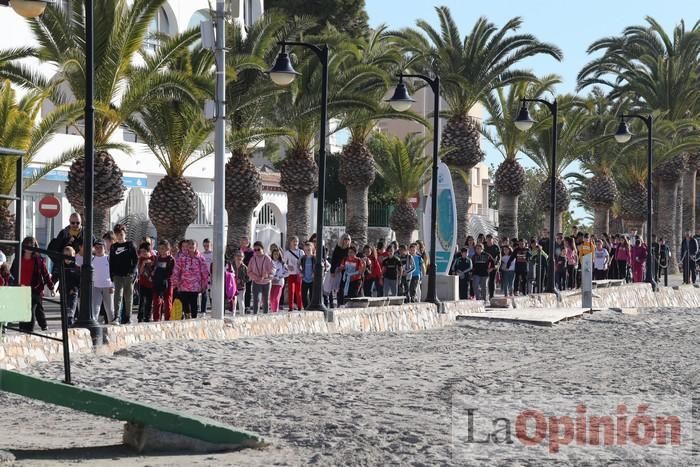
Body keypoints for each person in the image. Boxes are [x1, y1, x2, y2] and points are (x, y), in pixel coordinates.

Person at [10, 236, 54, 331]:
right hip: (21, 289)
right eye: (27, 245)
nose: (30, 247)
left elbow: (45, 273)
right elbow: (12, 272)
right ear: (23, 246)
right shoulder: (18, 258)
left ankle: (30, 330)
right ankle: (23, 329)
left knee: (31, 310)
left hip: (35, 289)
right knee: (24, 310)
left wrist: (51, 286)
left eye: (32, 245)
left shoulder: (38, 259)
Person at [171, 240, 209, 319]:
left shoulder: (200, 258)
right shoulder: (182, 257)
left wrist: (204, 284)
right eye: (190, 245)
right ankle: (187, 315)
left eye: (193, 245)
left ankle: (194, 318)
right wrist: (175, 282)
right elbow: (176, 270)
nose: (191, 247)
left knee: (193, 303)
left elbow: (204, 272)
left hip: (195, 286)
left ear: (196, 246)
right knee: (185, 302)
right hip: (184, 285)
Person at [109, 224, 138, 324]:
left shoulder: (130, 245)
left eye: (121, 234)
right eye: (117, 234)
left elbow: (135, 259)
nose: (120, 236)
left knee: (128, 296)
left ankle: (128, 317)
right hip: (117, 275)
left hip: (128, 275)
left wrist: (133, 272)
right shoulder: (113, 247)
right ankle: (116, 316)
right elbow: (111, 262)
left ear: (125, 234)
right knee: (117, 296)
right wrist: (111, 275)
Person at [52, 245, 81, 326]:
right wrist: (52, 286)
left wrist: (75, 288)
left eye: (70, 255)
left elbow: (79, 280)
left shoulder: (75, 267)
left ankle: (71, 321)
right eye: (65, 255)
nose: (67, 258)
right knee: (66, 306)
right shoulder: (60, 265)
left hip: (73, 290)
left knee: (72, 306)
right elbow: (55, 276)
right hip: (63, 289)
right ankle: (71, 321)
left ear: (73, 255)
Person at [89, 240, 116, 324]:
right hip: (95, 286)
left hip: (108, 286)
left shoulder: (108, 258)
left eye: (101, 247)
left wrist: (113, 285)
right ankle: (94, 324)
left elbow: (113, 273)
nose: (98, 249)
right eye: (96, 247)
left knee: (110, 308)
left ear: (105, 248)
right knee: (95, 308)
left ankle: (112, 323)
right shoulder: (91, 259)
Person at [151, 240, 175, 322]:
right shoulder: (157, 259)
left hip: (167, 282)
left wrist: (164, 277)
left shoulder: (171, 260)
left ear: (168, 249)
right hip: (157, 282)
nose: (161, 250)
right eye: (160, 248)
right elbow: (153, 269)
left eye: (163, 248)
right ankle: (156, 319)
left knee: (167, 302)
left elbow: (171, 272)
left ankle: (168, 319)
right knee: (156, 301)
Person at [248, 241, 273, 314]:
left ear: (262, 249)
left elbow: (273, 269)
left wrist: (268, 275)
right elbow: (249, 271)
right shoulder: (252, 259)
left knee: (265, 300)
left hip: (266, 282)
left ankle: (265, 316)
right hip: (256, 282)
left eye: (258, 249)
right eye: (255, 250)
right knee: (256, 299)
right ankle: (255, 315)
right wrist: (255, 277)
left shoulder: (267, 258)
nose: (256, 251)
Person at [284, 236, 305, 312]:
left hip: (298, 274)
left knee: (299, 291)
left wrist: (302, 269)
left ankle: (300, 306)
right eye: (293, 241)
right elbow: (284, 263)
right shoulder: (287, 253)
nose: (295, 243)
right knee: (291, 291)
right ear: (290, 242)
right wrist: (287, 266)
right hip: (291, 274)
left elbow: (303, 262)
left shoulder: (301, 252)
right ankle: (291, 307)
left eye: (296, 241)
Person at [137, 242, 156, 322]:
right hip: (142, 283)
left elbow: (156, 270)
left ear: (149, 251)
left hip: (151, 284)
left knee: (149, 301)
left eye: (144, 251)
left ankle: (147, 316)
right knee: (141, 300)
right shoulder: (141, 259)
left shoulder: (154, 258)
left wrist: (151, 264)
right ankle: (140, 317)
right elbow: (140, 272)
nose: (143, 253)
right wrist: (143, 264)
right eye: (141, 252)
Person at [330, 234, 351, 307]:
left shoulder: (350, 249)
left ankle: (343, 302)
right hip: (338, 270)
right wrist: (332, 271)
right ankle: (339, 303)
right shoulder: (338, 248)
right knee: (337, 287)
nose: (347, 241)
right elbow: (334, 259)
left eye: (348, 239)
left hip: (347, 270)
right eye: (345, 239)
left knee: (344, 286)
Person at [269, 247, 288, 312]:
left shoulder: (282, 263)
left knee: (276, 298)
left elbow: (287, 272)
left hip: (279, 283)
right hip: (271, 282)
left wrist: (280, 277)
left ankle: (275, 311)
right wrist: (271, 278)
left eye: (277, 254)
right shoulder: (269, 262)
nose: (276, 256)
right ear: (272, 254)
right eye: (274, 254)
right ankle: (272, 310)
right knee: (271, 299)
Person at [238, 236, 254, 312]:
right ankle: (239, 305)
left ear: (248, 243)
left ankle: (247, 306)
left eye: (246, 242)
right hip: (238, 272)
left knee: (248, 289)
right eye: (242, 241)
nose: (244, 243)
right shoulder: (238, 251)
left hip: (248, 272)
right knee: (238, 288)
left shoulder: (251, 252)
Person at [484, 235, 501, 300]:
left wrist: (495, 267)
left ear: (492, 240)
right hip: (485, 267)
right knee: (484, 282)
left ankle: (491, 296)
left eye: (490, 240)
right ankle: (485, 296)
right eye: (488, 240)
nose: (489, 241)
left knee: (491, 281)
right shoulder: (484, 247)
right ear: (486, 240)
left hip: (493, 268)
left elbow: (499, 258)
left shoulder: (496, 247)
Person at [200, 238, 213, 314]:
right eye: (205, 245)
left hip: (211, 277)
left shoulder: (213, 254)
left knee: (212, 295)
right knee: (204, 294)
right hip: (204, 277)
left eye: (208, 245)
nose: (206, 247)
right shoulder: (201, 255)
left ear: (210, 245)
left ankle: (213, 309)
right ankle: (203, 311)